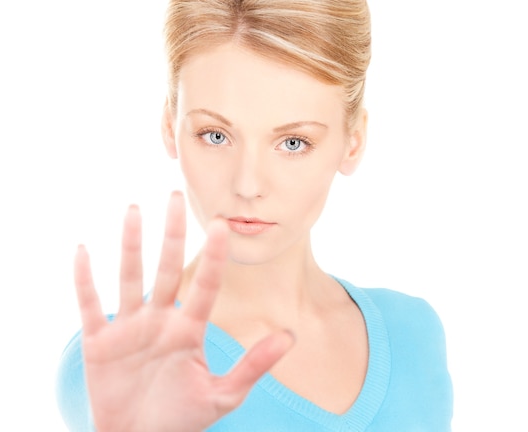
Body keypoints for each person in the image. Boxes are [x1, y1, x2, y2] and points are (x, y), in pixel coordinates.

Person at [56, 0, 453, 430]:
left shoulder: (412, 334)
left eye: (293, 143)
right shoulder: (120, 361)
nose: (247, 185)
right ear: (171, 128)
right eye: (215, 135)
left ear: (353, 142)